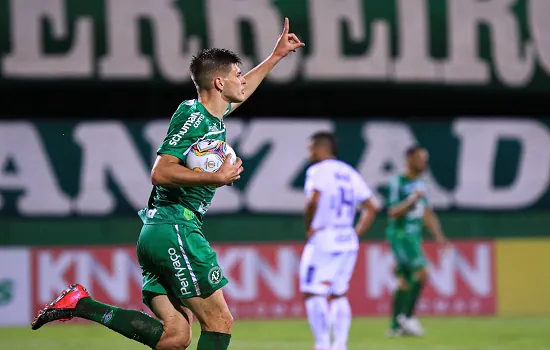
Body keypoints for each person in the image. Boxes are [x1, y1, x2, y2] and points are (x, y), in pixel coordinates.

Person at [31, 18, 305, 350]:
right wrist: (214, 177)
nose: (241, 81)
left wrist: (275, 57)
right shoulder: (193, 118)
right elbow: (160, 172)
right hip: (176, 227)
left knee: (175, 337)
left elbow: (243, 92)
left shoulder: (212, 117)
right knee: (219, 322)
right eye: (236, 75)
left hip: (157, 232)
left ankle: (79, 304)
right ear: (219, 82)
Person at [300, 131, 378, 350]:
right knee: (338, 293)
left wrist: (308, 227)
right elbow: (372, 206)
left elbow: (313, 200)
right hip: (346, 238)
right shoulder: (348, 171)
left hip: (324, 236)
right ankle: (340, 345)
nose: (309, 153)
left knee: (313, 291)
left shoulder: (317, 170)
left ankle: (323, 345)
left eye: (311, 147)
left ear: (321, 148)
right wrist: (355, 232)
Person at [386, 145, 450, 337]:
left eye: (425, 159)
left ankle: (397, 325)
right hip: (400, 235)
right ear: (409, 159)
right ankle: (408, 318)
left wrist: (439, 237)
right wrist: (412, 199)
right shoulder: (398, 182)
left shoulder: (421, 183)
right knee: (422, 273)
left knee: (404, 280)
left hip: (414, 236)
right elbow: (392, 211)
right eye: (420, 158)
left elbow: (427, 213)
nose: (424, 162)